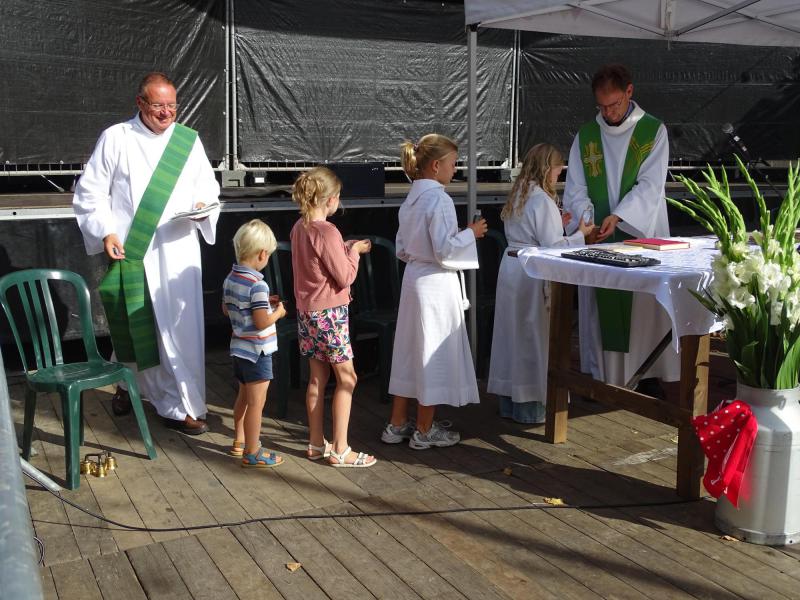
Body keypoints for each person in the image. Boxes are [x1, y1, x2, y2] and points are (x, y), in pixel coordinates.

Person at [73, 72, 220, 434]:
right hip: (134, 249)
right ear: (140, 103)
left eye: (172, 105)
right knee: (140, 323)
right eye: (158, 105)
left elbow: (208, 186)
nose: (167, 112)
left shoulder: (188, 140)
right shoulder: (116, 138)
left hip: (178, 249)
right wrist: (105, 230)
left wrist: (204, 205)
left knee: (177, 329)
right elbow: (90, 193)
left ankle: (170, 398)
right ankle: (153, 396)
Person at [562, 63, 679, 389]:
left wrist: (621, 216)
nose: (608, 112)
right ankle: (604, 377)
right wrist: (590, 219)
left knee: (642, 310)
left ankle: (647, 375)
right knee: (602, 310)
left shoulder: (652, 131)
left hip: (640, 234)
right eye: (602, 105)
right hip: (599, 235)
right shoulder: (587, 136)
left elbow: (650, 185)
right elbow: (576, 186)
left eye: (614, 104)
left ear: (630, 92)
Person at [381, 134, 488, 450]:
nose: (455, 170)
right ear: (437, 165)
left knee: (408, 352)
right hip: (435, 284)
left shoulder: (411, 197)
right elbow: (444, 250)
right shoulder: (439, 199)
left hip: (414, 279)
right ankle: (424, 429)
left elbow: (402, 247)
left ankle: (397, 423)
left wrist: (427, 253)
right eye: (454, 164)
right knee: (432, 354)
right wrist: (471, 233)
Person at [487, 143, 594, 423]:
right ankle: (531, 408)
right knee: (531, 338)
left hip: (511, 267)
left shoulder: (521, 192)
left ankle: (509, 402)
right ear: (548, 169)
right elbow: (552, 245)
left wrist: (557, 222)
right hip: (531, 271)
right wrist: (581, 234)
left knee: (511, 336)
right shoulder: (542, 199)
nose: (559, 176)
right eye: (558, 171)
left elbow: (534, 230)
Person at [290, 166, 377, 468]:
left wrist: (346, 249)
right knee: (347, 378)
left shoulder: (299, 227)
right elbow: (345, 277)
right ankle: (341, 449)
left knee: (317, 377)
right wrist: (353, 251)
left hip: (307, 313)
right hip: (330, 314)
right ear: (330, 199)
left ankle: (316, 443)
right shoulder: (327, 231)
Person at [222, 219, 286, 467]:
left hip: (239, 349)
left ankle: (238, 441)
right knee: (257, 404)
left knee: (243, 397)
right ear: (262, 254)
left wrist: (260, 302)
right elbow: (262, 322)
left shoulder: (231, 278)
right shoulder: (258, 284)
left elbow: (227, 309)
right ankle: (253, 450)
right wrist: (277, 312)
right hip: (257, 352)